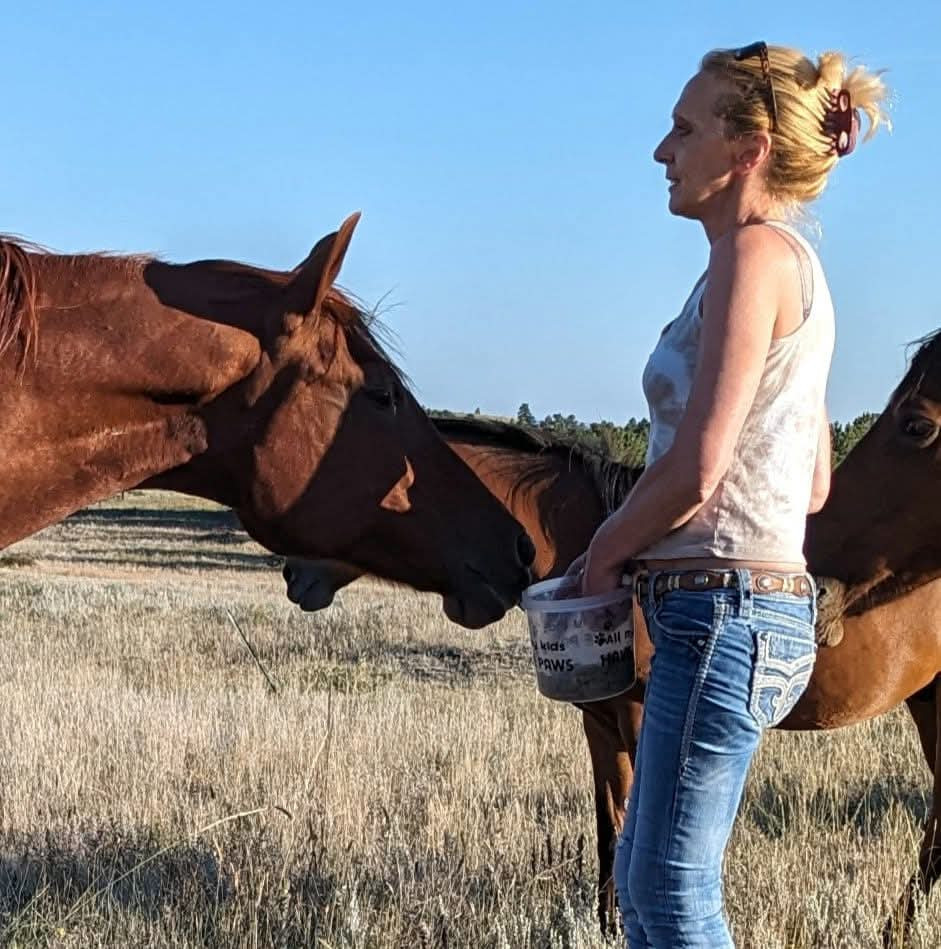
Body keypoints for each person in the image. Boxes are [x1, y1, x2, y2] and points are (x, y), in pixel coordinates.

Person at [573, 43, 890, 947]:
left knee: (670, 893)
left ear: (748, 150)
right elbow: (812, 481)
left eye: (683, 129)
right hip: (738, 609)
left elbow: (698, 467)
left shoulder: (753, 256)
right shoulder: (777, 264)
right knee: (645, 884)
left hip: (722, 609)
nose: (661, 151)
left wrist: (603, 553)